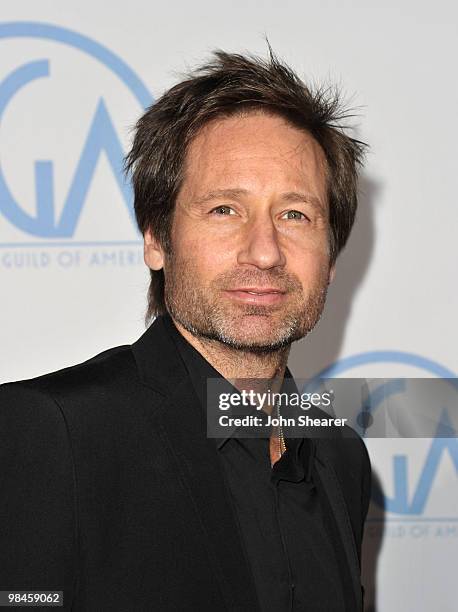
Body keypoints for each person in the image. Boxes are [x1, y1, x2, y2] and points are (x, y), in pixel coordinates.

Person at [0, 47, 372, 611]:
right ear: (156, 238)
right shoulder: (54, 433)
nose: (266, 252)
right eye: (225, 209)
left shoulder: (342, 456)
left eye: (295, 214)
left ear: (332, 253)